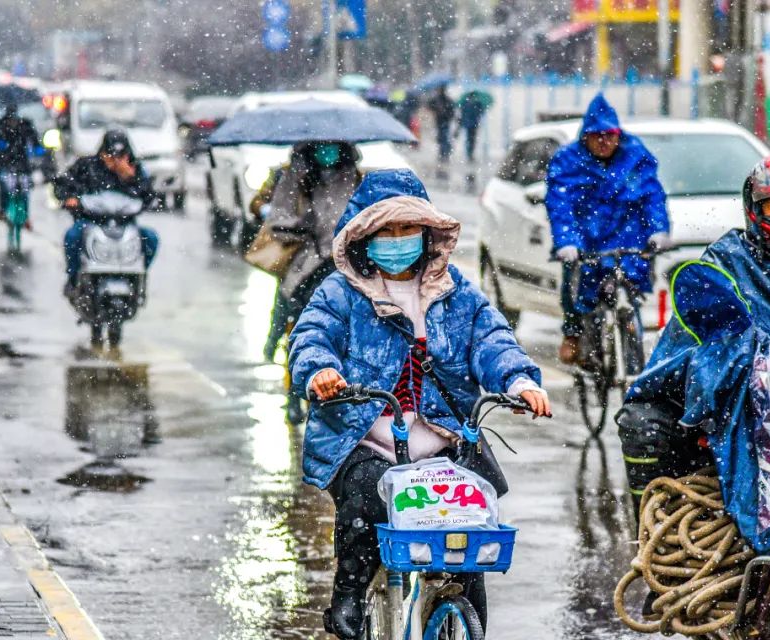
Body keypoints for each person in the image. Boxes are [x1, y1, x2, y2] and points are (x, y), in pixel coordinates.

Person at [289, 169, 551, 639]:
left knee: (471, 525)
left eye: (407, 228)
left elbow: (492, 340)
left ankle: (465, 618)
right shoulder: (339, 292)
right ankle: (349, 594)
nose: (397, 240)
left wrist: (518, 380)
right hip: (364, 437)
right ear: (362, 237)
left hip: (442, 440)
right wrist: (320, 372)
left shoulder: (457, 292)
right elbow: (311, 337)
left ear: (428, 233)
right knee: (366, 499)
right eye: (385, 230)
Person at [615, 151, 770, 500]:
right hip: (745, 407)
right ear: (755, 209)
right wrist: (724, 371)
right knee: (643, 424)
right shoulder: (727, 260)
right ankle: (652, 523)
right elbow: (690, 348)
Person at [545, 92, 671, 365]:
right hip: (586, 241)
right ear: (586, 137)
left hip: (627, 239)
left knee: (629, 291)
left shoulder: (636, 156)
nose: (604, 142)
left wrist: (658, 230)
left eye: (610, 135)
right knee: (576, 282)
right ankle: (573, 333)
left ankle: (631, 348)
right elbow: (560, 205)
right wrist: (567, 242)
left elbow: (652, 197)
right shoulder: (568, 161)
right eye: (597, 136)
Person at [249, 141, 362, 424]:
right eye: (322, 146)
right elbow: (269, 212)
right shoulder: (291, 176)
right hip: (303, 268)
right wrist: (298, 223)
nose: (328, 152)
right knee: (299, 331)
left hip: (342, 268)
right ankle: (293, 394)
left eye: (333, 146)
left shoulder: (355, 178)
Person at [54, 130, 158, 298]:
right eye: (110, 154)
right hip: (91, 222)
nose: (114, 159)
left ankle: (139, 278)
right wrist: (70, 198)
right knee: (72, 237)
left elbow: (148, 194)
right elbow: (64, 184)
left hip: (125, 223)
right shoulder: (87, 166)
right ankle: (73, 279)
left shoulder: (135, 169)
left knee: (151, 238)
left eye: (120, 155)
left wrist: (129, 178)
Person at [0, 101, 39, 222]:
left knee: (25, 189)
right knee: (4, 185)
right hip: (6, 162)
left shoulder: (26, 126)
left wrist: (38, 149)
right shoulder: (0, 126)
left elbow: (34, 141)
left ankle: (26, 216)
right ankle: (3, 210)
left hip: (22, 163)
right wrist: (0, 147)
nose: (12, 121)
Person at [456, 90, 490, 163]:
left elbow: (463, 114)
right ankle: (470, 153)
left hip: (471, 124)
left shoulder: (471, 104)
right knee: (471, 139)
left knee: (471, 139)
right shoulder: (475, 104)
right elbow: (480, 113)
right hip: (471, 124)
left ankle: (470, 153)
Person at [426, 86, 455, 164]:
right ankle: (444, 153)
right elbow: (452, 110)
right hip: (444, 121)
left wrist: (436, 110)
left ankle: (443, 153)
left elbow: (429, 105)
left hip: (440, 121)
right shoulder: (447, 99)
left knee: (442, 137)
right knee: (444, 137)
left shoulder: (437, 99)